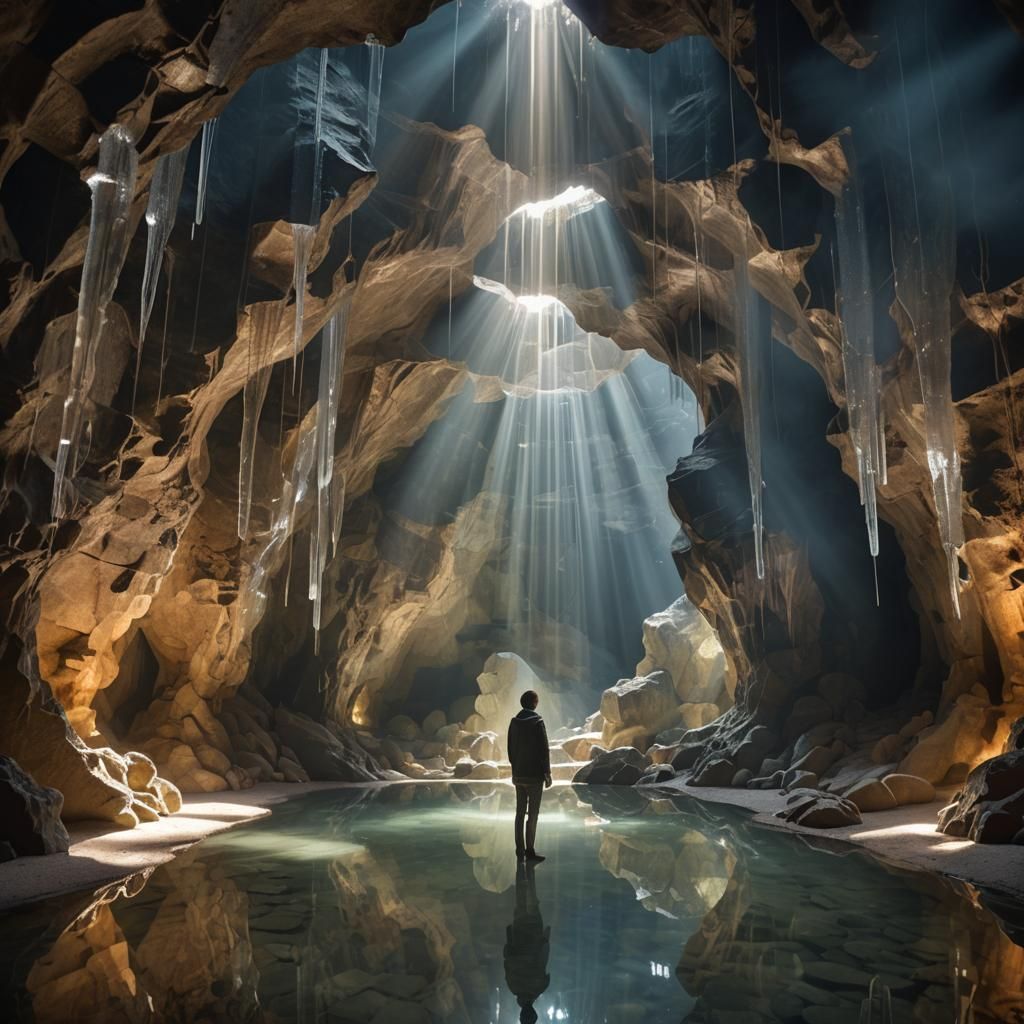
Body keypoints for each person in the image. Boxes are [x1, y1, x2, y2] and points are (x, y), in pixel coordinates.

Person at [507, 689, 552, 862]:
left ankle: (519, 850)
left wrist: (515, 768)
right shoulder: (537, 722)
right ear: (534, 703)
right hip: (534, 777)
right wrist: (547, 773)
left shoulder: (514, 722)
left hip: (519, 775)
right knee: (532, 814)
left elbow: (510, 749)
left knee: (519, 813)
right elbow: (544, 750)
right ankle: (530, 850)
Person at [503, 861, 550, 1024]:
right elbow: (508, 956)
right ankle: (522, 866)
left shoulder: (540, 986)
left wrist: (545, 939)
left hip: (532, 932)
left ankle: (527, 867)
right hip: (521, 932)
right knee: (522, 900)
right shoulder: (513, 986)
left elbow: (543, 956)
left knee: (530, 899)